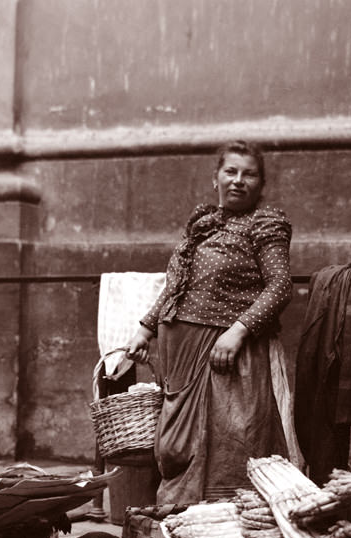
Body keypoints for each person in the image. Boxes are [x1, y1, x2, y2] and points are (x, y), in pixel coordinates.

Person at [125, 140, 297, 505]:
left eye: (249, 174)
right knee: (175, 449)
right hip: (180, 359)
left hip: (226, 357)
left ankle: (223, 527)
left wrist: (238, 331)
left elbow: (281, 287)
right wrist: (146, 328)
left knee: (229, 443)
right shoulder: (202, 225)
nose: (238, 180)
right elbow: (176, 286)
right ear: (215, 178)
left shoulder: (264, 224)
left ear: (261, 184)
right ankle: (179, 522)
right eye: (230, 171)